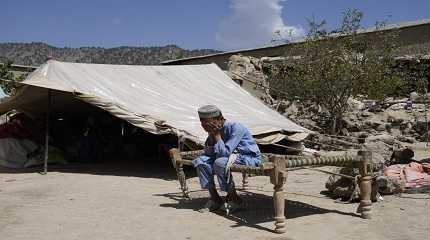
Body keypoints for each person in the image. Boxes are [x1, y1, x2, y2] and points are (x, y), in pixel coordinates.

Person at [192, 105, 261, 212]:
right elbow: (209, 153)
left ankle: (235, 199)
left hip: (247, 157)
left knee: (220, 162)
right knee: (201, 161)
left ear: (220, 119)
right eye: (204, 125)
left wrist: (217, 136)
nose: (207, 127)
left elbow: (225, 153)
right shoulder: (213, 132)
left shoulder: (236, 127)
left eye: (210, 124)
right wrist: (211, 135)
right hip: (229, 157)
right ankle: (215, 199)